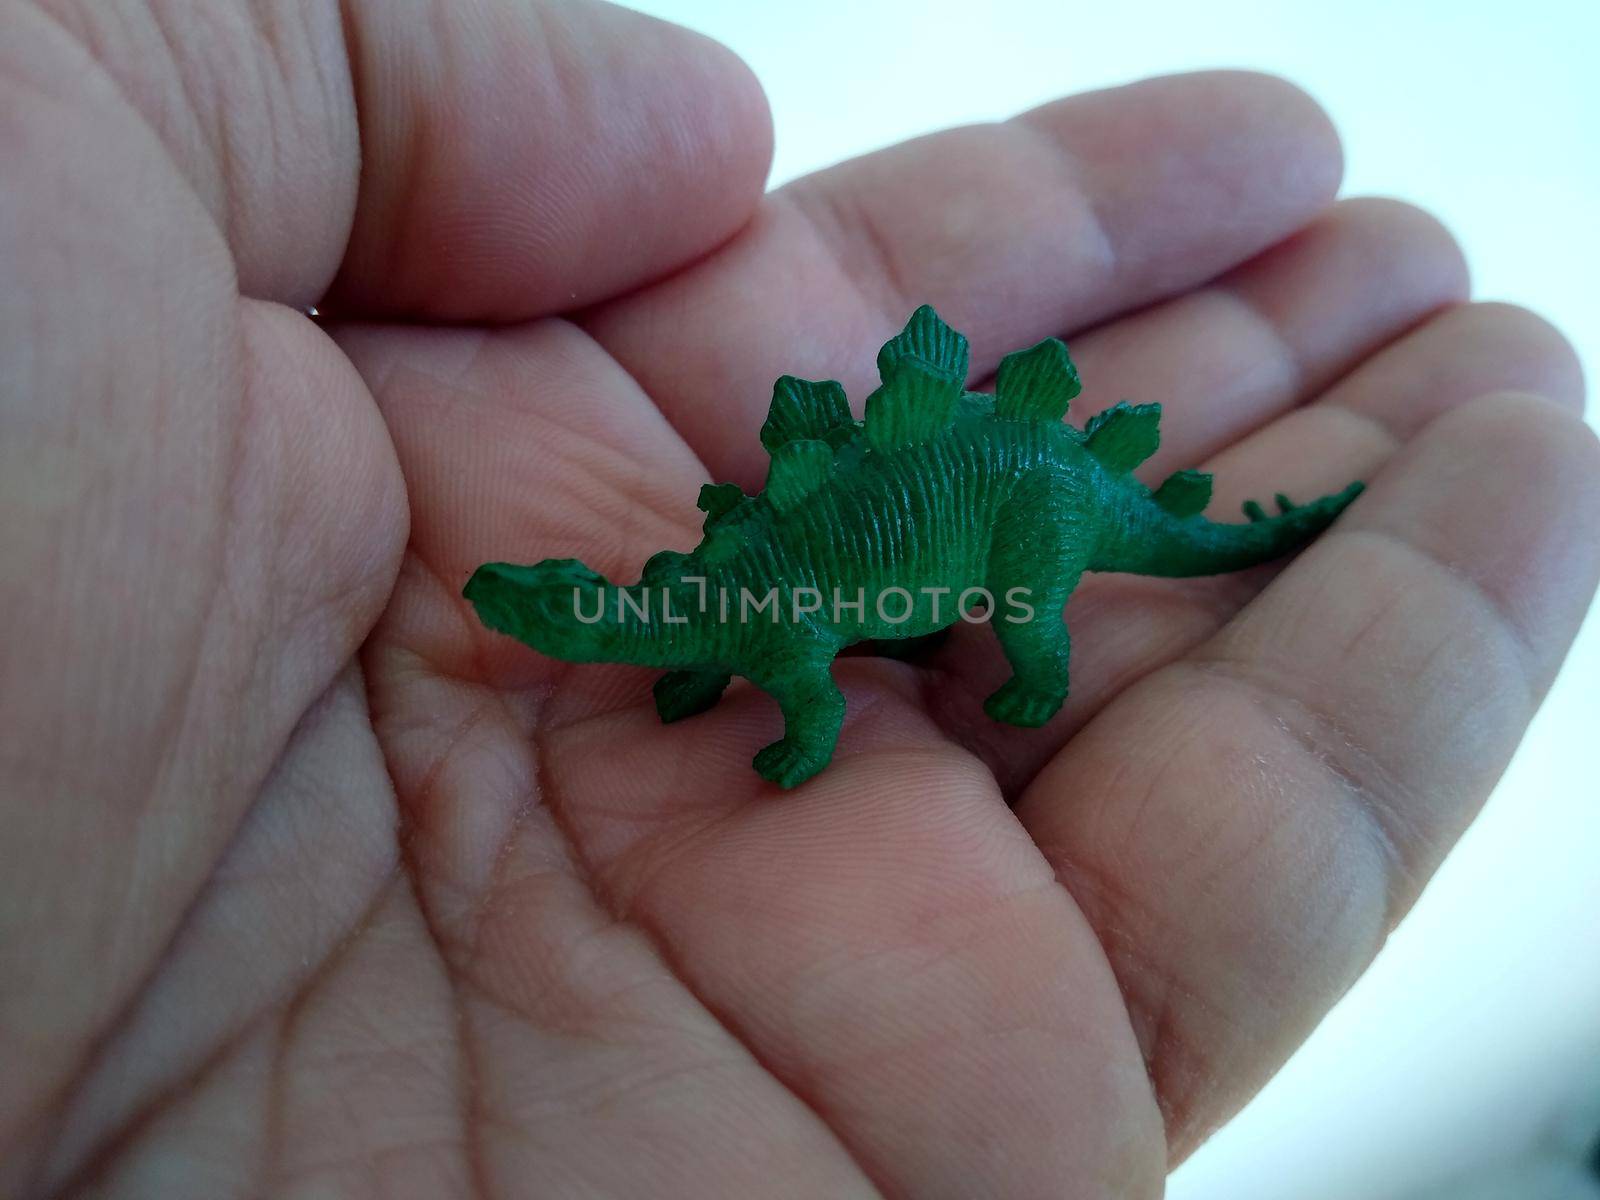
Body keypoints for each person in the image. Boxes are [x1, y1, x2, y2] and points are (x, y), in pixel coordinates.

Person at [3, 2, 1595, 1196]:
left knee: (1018, 614)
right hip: (915, 530)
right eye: (577, 611)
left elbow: (813, 701)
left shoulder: (761, 630)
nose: (565, 613)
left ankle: (1036, 660)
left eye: (578, 609)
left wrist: (815, 731)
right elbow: (744, 658)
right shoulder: (707, 620)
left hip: (1018, 510)